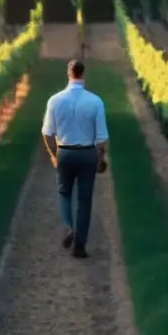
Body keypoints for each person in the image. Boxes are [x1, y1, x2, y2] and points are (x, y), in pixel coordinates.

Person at [41, 60, 109, 258]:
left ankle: (67, 226)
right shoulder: (95, 101)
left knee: (64, 192)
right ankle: (80, 245)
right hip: (87, 153)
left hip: (65, 152)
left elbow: (47, 133)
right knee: (85, 200)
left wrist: (54, 155)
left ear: (68, 74)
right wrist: (101, 158)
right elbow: (101, 137)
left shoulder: (54, 100)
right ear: (83, 74)